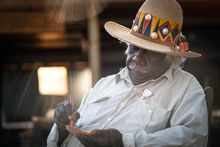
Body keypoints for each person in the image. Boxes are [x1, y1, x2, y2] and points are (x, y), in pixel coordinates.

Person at [47, 0, 208, 146]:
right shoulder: (103, 84)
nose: (137, 56)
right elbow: (64, 135)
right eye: (134, 47)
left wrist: (125, 142)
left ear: (170, 56)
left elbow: (193, 137)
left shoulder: (186, 86)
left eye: (148, 51)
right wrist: (62, 126)